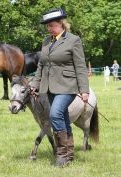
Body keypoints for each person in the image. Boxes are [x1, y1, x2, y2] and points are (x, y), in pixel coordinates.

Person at [30, 8, 89, 167]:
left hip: (68, 86)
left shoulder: (73, 40)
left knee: (55, 114)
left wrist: (84, 90)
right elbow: (42, 65)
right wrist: (35, 84)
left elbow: (80, 66)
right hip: (48, 87)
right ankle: (69, 154)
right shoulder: (46, 41)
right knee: (62, 118)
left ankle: (61, 155)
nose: (49, 28)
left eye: (52, 25)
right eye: (47, 26)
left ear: (62, 24)